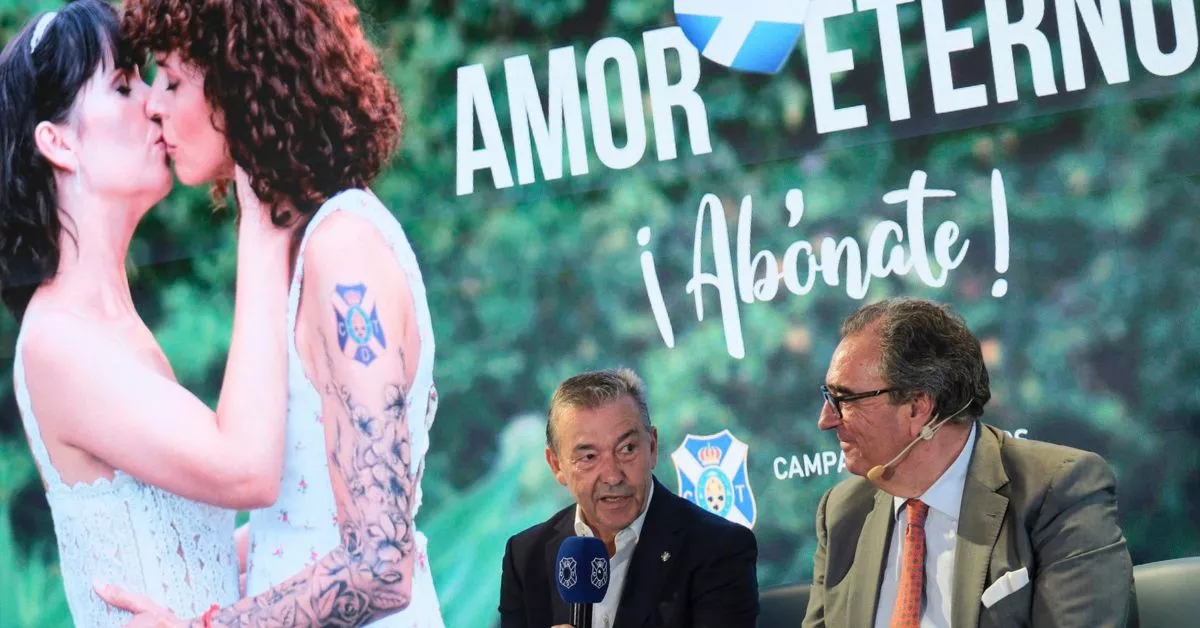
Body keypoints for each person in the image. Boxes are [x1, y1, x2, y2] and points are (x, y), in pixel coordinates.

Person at [96, 0, 445, 625]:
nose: (153, 103)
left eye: (174, 80)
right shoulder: (295, 243)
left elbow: (380, 564)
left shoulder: (344, 253)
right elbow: (295, 521)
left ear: (242, 82)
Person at [0, 1, 291, 626]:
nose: (155, 105)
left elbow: (193, 554)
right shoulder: (56, 341)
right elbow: (246, 468)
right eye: (125, 86)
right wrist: (261, 204)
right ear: (57, 142)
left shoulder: (115, 327)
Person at [802, 297, 1135, 627]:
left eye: (844, 399)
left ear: (918, 407)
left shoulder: (1058, 492)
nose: (826, 420)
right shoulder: (842, 512)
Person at [499, 368, 759, 628]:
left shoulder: (718, 548)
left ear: (653, 447)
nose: (612, 476)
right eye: (588, 457)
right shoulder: (525, 557)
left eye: (627, 449)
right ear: (556, 465)